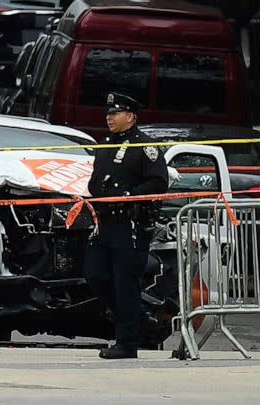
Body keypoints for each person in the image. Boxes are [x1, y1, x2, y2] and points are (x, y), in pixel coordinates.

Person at [84, 92, 168, 359]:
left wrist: (130, 195)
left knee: (125, 283)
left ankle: (127, 343)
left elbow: (158, 182)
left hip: (129, 225)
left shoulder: (145, 147)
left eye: (115, 113)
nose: (109, 118)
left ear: (130, 117)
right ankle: (140, 321)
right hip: (104, 223)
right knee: (94, 275)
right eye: (108, 113)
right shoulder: (106, 145)